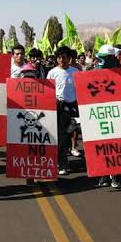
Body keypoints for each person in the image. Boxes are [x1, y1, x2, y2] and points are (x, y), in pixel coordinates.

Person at [94, 45, 121, 189]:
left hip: (115, 114)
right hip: (99, 115)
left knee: (115, 144)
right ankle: (103, 174)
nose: (101, 61)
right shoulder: (93, 73)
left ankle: (115, 175)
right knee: (100, 145)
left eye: (104, 58)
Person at [47, 46, 79, 176]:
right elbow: (48, 91)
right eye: (59, 58)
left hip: (72, 108)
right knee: (60, 136)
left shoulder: (75, 72)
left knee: (66, 137)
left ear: (69, 58)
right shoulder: (52, 73)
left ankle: (62, 163)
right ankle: (60, 163)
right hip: (57, 109)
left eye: (64, 57)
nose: (62, 60)